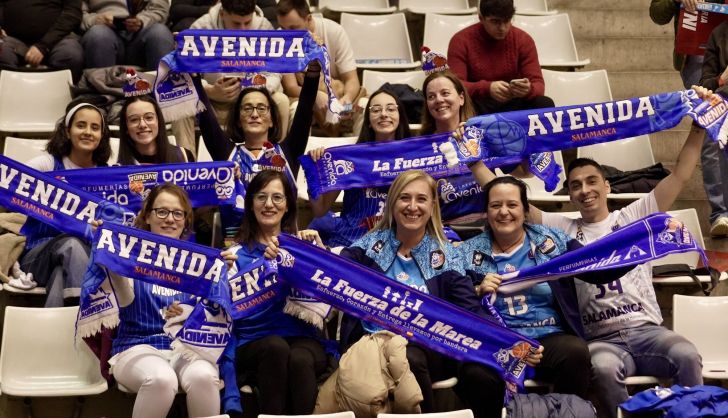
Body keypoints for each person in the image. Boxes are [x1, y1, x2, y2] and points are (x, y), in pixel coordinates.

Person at [460, 89, 709, 416]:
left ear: (607, 186)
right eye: (575, 185)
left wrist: (699, 127)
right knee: (603, 370)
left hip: (647, 331)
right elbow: (509, 202)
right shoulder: (561, 229)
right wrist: (475, 158)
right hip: (599, 339)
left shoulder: (634, 216)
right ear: (571, 194)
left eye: (592, 181)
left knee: (687, 355)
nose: (584, 190)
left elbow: (681, 174)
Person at [338, 170, 543, 418]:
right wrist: (308, 245)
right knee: (405, 356)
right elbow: (326, 272)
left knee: (469, 372)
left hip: (429, 347)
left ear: (432, 205)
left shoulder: (446, 254)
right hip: (372, 344)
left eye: (421, 199)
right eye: (405, 198)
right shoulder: (368, 246)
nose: (412, 206)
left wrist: (512, 343)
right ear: (393, 202)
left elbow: (471, 309)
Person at [461, 176, 633, 403]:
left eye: (512, 205)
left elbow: (598, 269)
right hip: (495, 342)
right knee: (473, 374)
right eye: (496, 205)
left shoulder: (553, 242)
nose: (504, 212)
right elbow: (457, 303)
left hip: (549, 339)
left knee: (575, 352)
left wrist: (640, 245)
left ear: (524, 210)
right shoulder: (465, 253)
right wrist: (477, 289)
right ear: (486, 211)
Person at [102, 184, 232, 418]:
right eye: (162, 211)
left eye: (177, 213)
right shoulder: (128, 254)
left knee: (205, 377)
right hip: (137, 346)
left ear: (185, 220)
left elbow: (213, 316)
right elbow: (123, 298)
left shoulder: (200, 262)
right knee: (161, 379)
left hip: (186, 348)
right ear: (147, 216)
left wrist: (226, 277)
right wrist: (105, 249)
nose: (170, 219)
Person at [221, 170, 329, 417]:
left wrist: (317, 254)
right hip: (253, 344)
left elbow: (328, 306)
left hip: (303, 339)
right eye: (261, 197)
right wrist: (222, 277)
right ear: (250, 204)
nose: (269, 204)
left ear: (289, 205)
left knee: (300, 359)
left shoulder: (303, 248)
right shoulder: (234, 256)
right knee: (276, 347)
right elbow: (220, 315)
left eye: (277, 197)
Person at [195, 56, 320, 240]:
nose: (254, 114)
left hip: (283, 252)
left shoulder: (287, 153)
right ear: (238, 120)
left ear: (272, 119)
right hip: (237, 254)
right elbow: (204, 116)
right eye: (247, 108)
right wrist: (194, 76)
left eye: (262, 108)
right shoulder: (228, 154)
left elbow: (305, 108)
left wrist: (313, 73)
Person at [19, 103, 112, 307]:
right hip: (36, 257)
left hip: (85, 260)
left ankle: (61, 332)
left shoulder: (108, 175)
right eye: (81, 125)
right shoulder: (46, 165)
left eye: (95, 127)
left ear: (102, 135)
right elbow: (10, 186)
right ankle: (85, 311)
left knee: (61, 275)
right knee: (71, 244)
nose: (88, 132)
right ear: (68, 131)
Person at [171, 0, 289, 154]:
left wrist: (253, 91)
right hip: (212, 103)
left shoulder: (264, 27)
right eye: (236, 23)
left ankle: (273, 164)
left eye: (247, 22)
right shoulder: (201, 28)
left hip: (251, 101)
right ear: (222, 13)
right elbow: (185, 73)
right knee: (182, 102)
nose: (243, 29)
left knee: (281, 101)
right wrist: (209, 90)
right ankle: (187, 166)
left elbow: (274, 71)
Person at [307, 88, 412, 247]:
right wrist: (315, 173)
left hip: (395, 245)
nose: (384, 114)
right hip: (350, 241)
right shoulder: (350, 158)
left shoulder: (416, 158)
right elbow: (320, 210)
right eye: (376, 110)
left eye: (391, 109)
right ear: (368, 120)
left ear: (400, 117)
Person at [447, 0, 554, 115]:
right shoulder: (461, 41)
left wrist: (528, 90)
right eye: (495, 21)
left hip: (512, 103)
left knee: (544, 103)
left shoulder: (523, 40)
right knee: (452, 103)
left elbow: (538, 85)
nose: (502, 28)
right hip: (476, 103)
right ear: (481, 18)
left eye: (507, 21)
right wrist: (487, 89)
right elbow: (454, 86)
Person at [277, 0, 363, 136]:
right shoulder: (280, 39)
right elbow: (291, 87)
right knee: (296, 107)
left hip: (337, 93)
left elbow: (351, 79)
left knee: (364, 105)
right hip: (303, 95)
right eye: (283, 28)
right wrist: (315, 94)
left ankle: (359, 153)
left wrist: (345, 101)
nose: (288, 34)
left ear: (308, 19)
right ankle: (297, 155)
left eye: (293, 28)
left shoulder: (334, 31)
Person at [0, 0, 84, 82]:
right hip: (13, 40)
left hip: (56, 40)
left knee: (71, 54)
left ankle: (62, 94)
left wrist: (44, 45)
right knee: (3, 53)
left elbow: (72, 14)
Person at [696, 18, 728, 236]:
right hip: (724, 103)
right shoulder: (719, 34)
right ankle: (721, 214)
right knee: (714, 141)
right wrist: (721, 80)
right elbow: (704, 82)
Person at [80, 0, 175, 70]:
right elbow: (76, 14)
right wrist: (95, 20)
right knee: (98, 34)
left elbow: (160, 10)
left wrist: (141, 21)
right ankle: (103, 94)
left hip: (144, 30)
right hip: (105, 29)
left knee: (160, 32)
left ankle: (164, 91)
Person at [117, 95, 195, 165]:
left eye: (149, 117)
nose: (142, 125)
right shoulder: (118, 169)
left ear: (159, 121)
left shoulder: (184, 157)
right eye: (134, 119)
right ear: (126, 127)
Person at [420, 70, 476, 136]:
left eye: (445, 93)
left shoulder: (480, 137)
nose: (438, 100)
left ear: (461, 98)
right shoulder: (420, 144)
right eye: (431, 96)